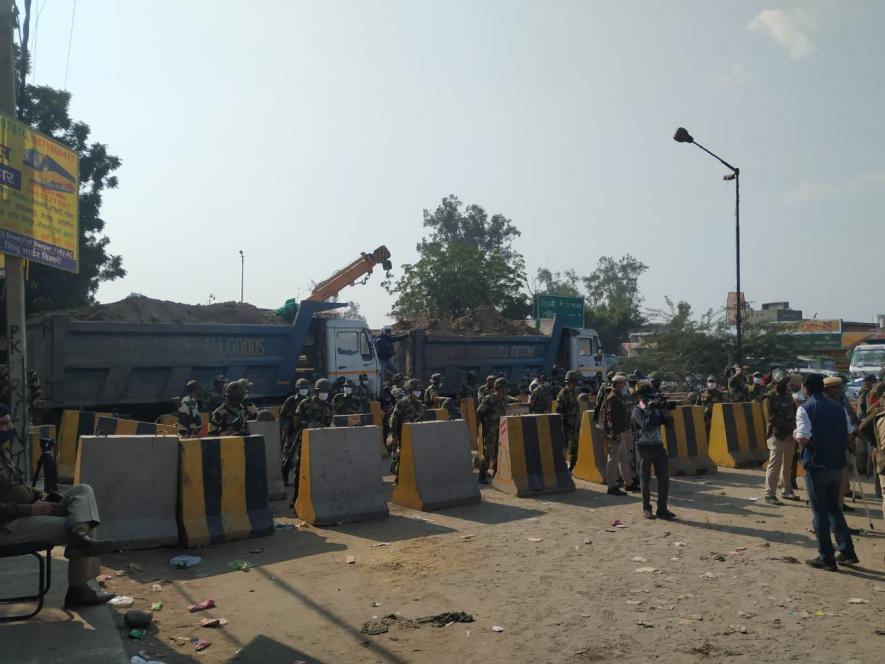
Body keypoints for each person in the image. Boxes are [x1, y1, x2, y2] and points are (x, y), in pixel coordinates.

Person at [0, 404, 117, 607]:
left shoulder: (3, 453)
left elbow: (17, 486)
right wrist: (32, 509)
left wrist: (41, 496)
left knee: (82, 491)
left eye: (9, 423)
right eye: (2, 424)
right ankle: (79, 589)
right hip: (8, 526)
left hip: (27, 511)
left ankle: (80, 534)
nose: (8, 428)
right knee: (83, 522)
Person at [794, 373, 858, 571]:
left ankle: (826, 557)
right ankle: (847, 552)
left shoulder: (805, 409)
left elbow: (804, 438)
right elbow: (849, 433)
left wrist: (798, 436)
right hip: (837, 465)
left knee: (819, 513)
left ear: (806, 388)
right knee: (834, 510)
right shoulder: (838, 407)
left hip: (816, 466)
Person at [631, 386, 675, 520]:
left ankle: (662, 509)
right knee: (645, 479)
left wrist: (666, 412)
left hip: (658, 446)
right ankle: (646, 508)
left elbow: (669, 425)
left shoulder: (656, 409)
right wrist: (650, 410)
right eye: (647, 396)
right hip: (644, 448)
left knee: (664, 478)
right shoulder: (636, 411)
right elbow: (645, 426)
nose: (650, 398)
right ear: (640, 397)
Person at [287, 378, 334, 502]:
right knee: (300, 470)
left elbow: (330, 423)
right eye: (323, 391)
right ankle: (296, 498)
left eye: (327, 391)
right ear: (317, 391)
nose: (325, 394)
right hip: (306, 442)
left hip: (323, 444)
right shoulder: (305, 404)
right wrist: (316, 426)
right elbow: (297, 422)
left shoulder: (329, 406)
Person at [762, 369, 798, 505]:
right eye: (783, 381)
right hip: (776, 434)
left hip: (789, 434)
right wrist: (789, 426)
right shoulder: (768, 397)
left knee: (788, 464)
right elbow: (771, 418)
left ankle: (787, 489)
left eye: (786, 381)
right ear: (775, 382)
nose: (785, 384)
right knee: (774, 465)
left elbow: (795, 412)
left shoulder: (789, 396)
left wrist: (793, 427)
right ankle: (769, 494)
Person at [602, 374, 637, 495]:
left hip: (623, 430)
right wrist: (613, 434)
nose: (624, 386)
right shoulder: (612, 398)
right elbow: (609, 418)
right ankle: (612, 486)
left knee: (624, 459)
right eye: (622, 384)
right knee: (613, 459)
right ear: (617, 385)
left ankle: (629, 483)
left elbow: (631, 406)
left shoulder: (621, 396)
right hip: (616, 433)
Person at [389, 379, 426, 477]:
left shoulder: (420, 404)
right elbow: (394, 418)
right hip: (403, 434)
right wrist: (394, 435)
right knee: (402, 456)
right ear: (409, 391)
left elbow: (422, 419)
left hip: (416, 434)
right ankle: (399, 477)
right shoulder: (403, 402)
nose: (417, 392)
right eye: (415, 390)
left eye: (418, 389)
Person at [476, 378, 509, 483]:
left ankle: (496, 473)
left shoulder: (504, 399)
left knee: (499, 452)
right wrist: (485, 424)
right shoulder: (490, 398)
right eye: (505, 387)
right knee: (488, 452)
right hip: (491, 430)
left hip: (501, 429)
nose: (507, 389)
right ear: (500, 387)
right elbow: (479, 411)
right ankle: (482, 476)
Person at [280, 378, 311, 481]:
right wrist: (290, 422)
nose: (304, 391)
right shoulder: (291, 400)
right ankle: (285, 475)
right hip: (292, 431)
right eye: (302, 389)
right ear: (297, 389)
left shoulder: (309, 400)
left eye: (305, 389)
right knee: (288, 454)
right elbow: (283, 414)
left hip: (304, 430)